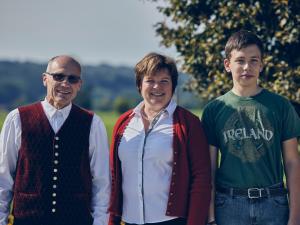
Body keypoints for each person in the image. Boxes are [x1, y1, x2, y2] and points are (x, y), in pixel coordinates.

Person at [201, 30, 300, 225]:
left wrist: (295, 217)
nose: (247, 67)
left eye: (254, 60)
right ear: (227, 65)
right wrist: (211, 216)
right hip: (228, 205)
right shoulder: (214, 109)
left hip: (274, 204)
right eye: (240, 60)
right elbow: (209, 167)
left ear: (261, 65)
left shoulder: (280, 106)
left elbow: (292, 162)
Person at [0, 55, 111, 225]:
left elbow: (102, 183)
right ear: (45, 79)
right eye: (58, 76)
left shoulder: (93, 124)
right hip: (27, 220)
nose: (65, 83)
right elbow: (3, 177)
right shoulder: (17, 119)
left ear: (79, 85)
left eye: (72, 79)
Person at [108, 53, 211, 225]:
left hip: (171, 221)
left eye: (164, 81)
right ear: (140, 85)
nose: (157, 86)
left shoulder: (188, 123)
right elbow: (114, 177)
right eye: (150, 80)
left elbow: (201, 180)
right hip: (129, 221)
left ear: (173, 86)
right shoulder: (123, 123)